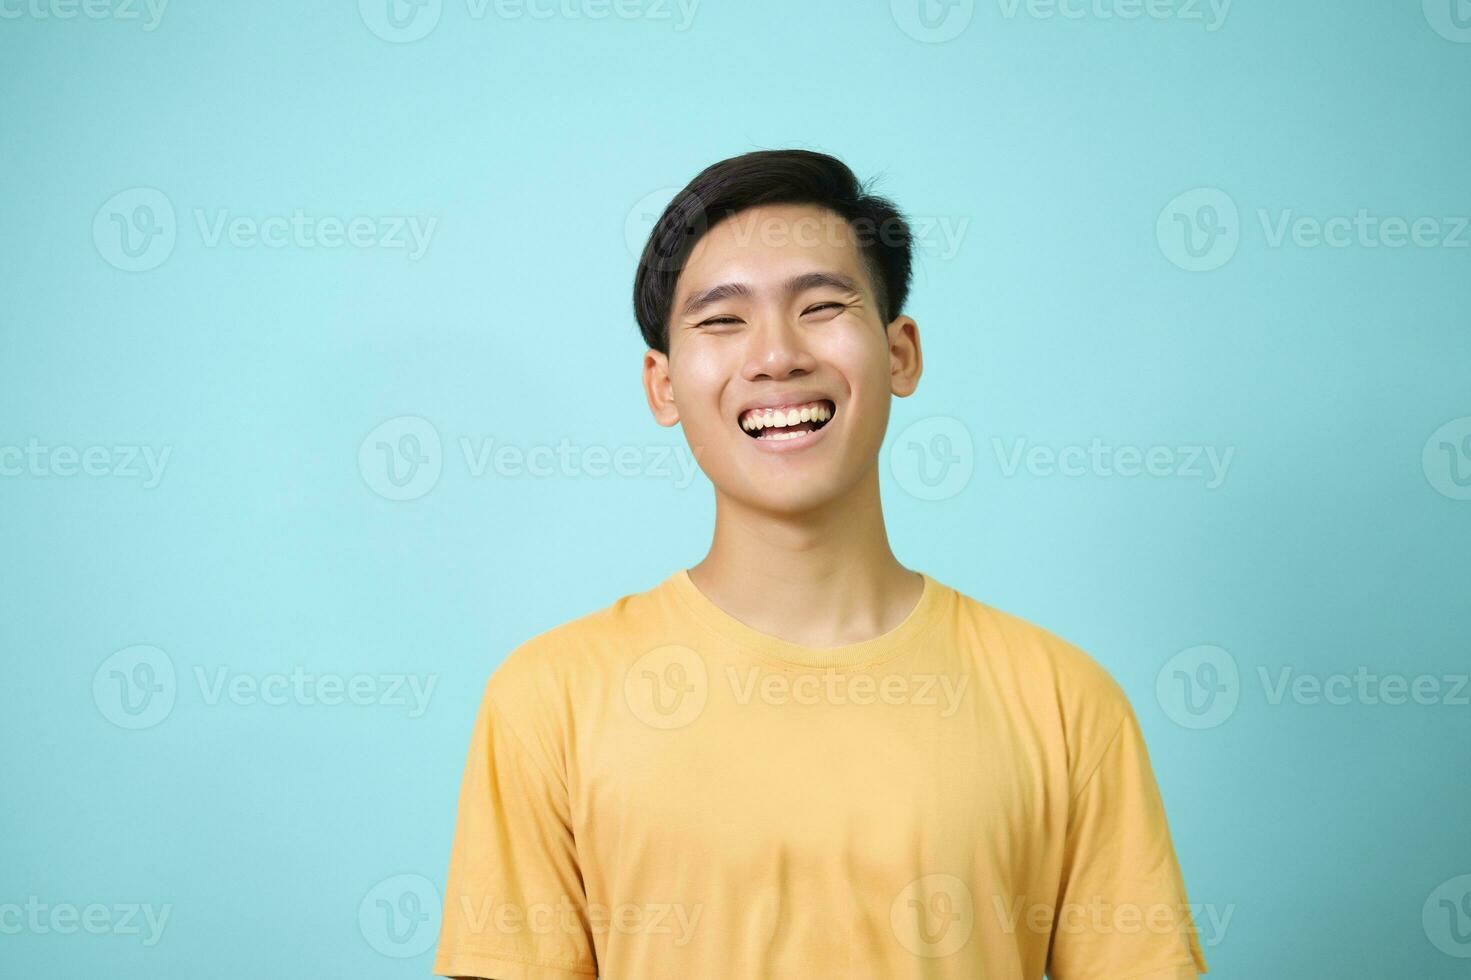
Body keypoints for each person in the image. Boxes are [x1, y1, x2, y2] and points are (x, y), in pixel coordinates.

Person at [432, 148, 1209, 979]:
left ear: (900, 352)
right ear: (661, 386)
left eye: (821, 305)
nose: (776, 356)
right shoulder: (549, 699)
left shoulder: (1062, 700)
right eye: (722, 320)